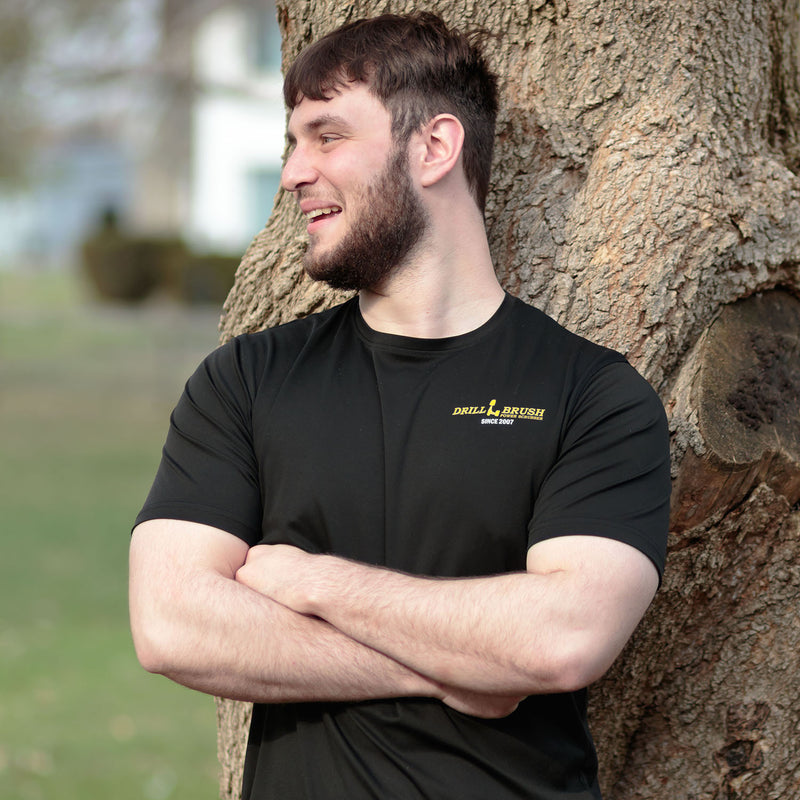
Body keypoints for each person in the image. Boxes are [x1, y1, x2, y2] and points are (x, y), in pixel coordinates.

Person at [129, 11, 671, 800]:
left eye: (326, 136)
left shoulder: (593, 396)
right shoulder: (246, 380)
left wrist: (313, 585)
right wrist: (460, 668)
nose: (293, 172)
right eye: (292, 142)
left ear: (434, 148)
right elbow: (171, 624)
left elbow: (561, 640)